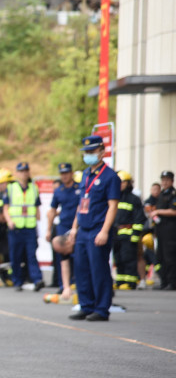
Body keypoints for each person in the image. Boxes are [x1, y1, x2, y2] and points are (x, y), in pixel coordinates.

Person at [68, 135, 121, 321]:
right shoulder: (84, 174)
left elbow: (112, 206)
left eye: (92, 151)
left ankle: (101, 309)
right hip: (83, 229)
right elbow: (81, 203)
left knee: (99, 269)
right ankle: (86, 305)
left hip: (98, 228)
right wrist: (74, 228)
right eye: (86, 152)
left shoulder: (110, 176)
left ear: (102, 151)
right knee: (81, 269)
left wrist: (105, 231)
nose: (88, 155)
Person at [3, 162, 44, 292]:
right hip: (16, 227)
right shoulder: (11, 188)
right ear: (17, 173)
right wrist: (9, 221)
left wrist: (39, 222)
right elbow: (5, 208)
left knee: (32, 255)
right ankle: (17, 281)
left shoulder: (34, 187)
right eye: (21, 171)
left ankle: (37, 280)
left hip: (30, 226)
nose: (24, 173)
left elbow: (37, 207)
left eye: (26, 171)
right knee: (16, 256)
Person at [46, 163, 79, 299]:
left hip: (78, 226)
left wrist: (75, 228)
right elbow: (52, 210)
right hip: (63, 226)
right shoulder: (58, 190)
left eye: (66, 173)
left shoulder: (79, 187)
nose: (64, 176)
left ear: (71, 173)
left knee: (78, 255)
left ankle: (78, 283)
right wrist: (49, 229)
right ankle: (64, 285)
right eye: (62, 174)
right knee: (62, 257)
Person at [112, 171, 146, 290]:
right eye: (119, 182)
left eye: (123, 182)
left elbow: (139, 218)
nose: (120, 184)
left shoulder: (134, 199)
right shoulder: (114, 198)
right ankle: (120, 280)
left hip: (128, 234)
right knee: (118, 258)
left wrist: (135, 235)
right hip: (116, 234)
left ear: (128, 183)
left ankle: (131, 282)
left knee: (129, 258)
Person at [151, 170, 176, 290]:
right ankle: (164, 281)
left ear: (172, 181)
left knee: (169, 256)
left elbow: (173, 211)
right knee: (160, 256)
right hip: (160, 229)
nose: (164, 182)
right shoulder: (162, 194)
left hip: (170, 230)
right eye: (163, 180)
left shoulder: (173, 194)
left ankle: (172, 282)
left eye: (167, 180)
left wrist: (158, 212)